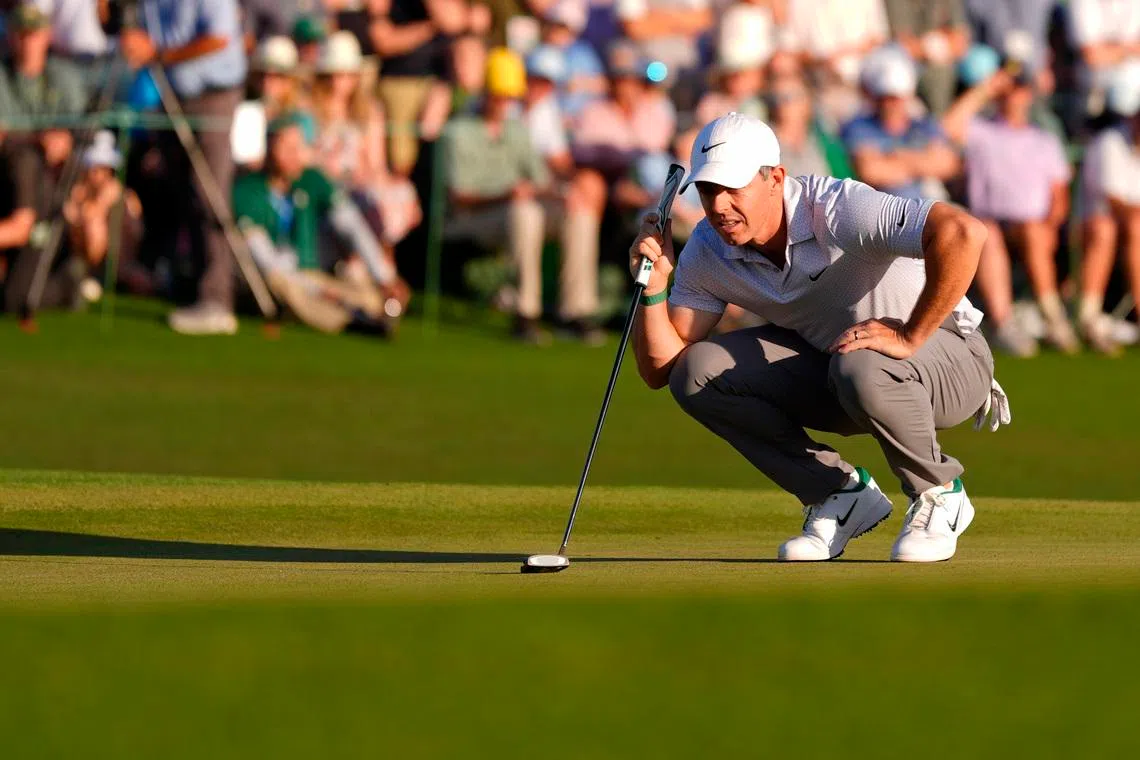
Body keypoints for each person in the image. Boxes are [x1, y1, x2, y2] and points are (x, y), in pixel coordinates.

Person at [629, 112, 1010, 563]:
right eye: (709, 190)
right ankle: (838, 495)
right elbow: (661, 369)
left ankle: (939, 492)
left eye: (734, 188)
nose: (719, 206)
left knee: (861, 362)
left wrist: (909, 334)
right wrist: (653, 288)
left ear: (775, 178)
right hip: (842, 368)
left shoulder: (836, 207)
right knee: (697, 373)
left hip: (950, 359)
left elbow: (963, 231)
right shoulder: (708, 248)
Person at [443, 47, 601, 344]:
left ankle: (575, 312)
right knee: (524, 212)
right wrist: (508, 195)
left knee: (579, 212)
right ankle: (525, 313)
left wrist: (563, 194)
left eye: (509, 97)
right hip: (472, 218)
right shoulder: (457, 131)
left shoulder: (517, 130)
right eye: (499, 96)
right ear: (486, 93)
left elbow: (540, 180)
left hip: (517, 210)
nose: (505, 104)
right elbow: (459, 198)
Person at [119, 0, 248, 335]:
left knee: (209, 194)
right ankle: (185, 280)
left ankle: (217, 299)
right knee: (178, 191)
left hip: (213, 94)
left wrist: (158, 53)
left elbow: (218, 38)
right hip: (173, 93)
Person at [942, 63, 1077, 356]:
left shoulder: (1044, 140)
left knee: (1033, 232)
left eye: (1018, 89)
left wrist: (1051, 227)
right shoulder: (981, 130)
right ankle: (1003, 323)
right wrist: (986, 88)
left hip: (1032, 224)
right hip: (989, 219)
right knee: (988, 234)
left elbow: (1059, 195)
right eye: (1008, 89)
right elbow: (948, 126)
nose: (1012, 95)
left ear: (1029, 94)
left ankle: (1052, 315)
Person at [233, 113, 408, 335]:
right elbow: (266, 260)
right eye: (286, 147)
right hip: (280, 278)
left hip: (313, 274)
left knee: (368, 295)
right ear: (269, 147)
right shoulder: (247, 190)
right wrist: (316, 289)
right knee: (288, 288)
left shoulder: (312, 179)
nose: (294, 154)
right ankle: (351, 322)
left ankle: (362, 313)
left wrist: (384, 277)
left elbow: (351, 226)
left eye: (298, 147)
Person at [310, 31, 422, 258]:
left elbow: (375, 163)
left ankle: (378, 263)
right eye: (334, 73)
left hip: (360, 182)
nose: (339, 81)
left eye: (345, 74)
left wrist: (381, 184)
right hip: (325, 184)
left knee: (392, 198)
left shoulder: (370, 110)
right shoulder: (310, 110)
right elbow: (310, 158)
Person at [1078, 60, 1140, 354]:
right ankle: (1088, 317)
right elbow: (1113, 202)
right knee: (1115, 229)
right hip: (1095, 225)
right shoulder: (1109, 142)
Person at [842, 47, 959, 200]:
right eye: (886, 98)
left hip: (928, 205)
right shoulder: (858, 127)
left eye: (896, 98)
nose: (891, 105)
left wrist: (896, 157)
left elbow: (947, 164)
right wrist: (923, 162)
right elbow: (871, 171)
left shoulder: (923, 125)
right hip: (884, 210)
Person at [62, 130, 149, 299]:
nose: (95, 173)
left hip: (119, 262)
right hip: (87, 261)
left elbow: (136, 233)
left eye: (101, 168)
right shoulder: (79, 193)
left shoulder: (123, 196)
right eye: (93, 167)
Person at [0, 3, 86, 127]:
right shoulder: (3, 76)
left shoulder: (65, 75)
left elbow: (80, 122)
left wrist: (64, 135)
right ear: (10, 36)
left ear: (48, 35)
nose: (28, 41)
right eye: (22, 34)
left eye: (34, 33)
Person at [883, 0, 971, 115]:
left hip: (945, 61)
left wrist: (932, 46)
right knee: (938, 75)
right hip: (905, 63)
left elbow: (960, 42)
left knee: (977, 65)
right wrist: (936, 44)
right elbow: (903, 44)